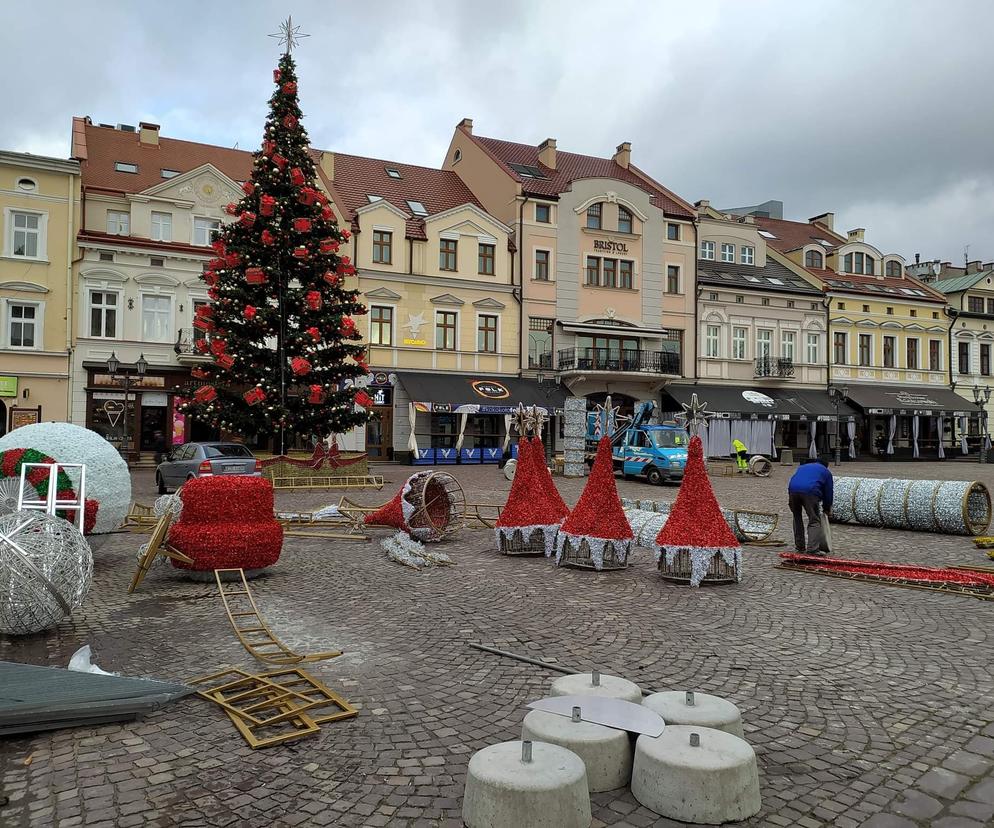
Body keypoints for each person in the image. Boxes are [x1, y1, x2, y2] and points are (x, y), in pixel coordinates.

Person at [788, 458, 833, 554]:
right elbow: (828, 492)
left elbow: (794, 479)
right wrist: (827, 508)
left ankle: (800, 547)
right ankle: (813, 549)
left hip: (793, 490)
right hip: (810, 491)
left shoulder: (802, 467)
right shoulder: (826, 472)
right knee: (814, 520)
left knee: (797, 518)